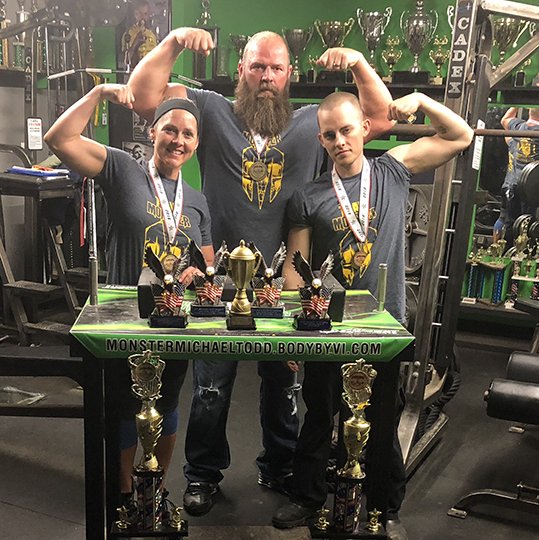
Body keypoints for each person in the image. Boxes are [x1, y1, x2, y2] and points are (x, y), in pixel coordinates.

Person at [127, 27, 395, 516]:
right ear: (241, 71)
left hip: (286, 285)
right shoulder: (211, 111)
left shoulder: (313, 122)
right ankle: (202, 474)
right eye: (257, 66)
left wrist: (358, 62)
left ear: (289, 73)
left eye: (275, 67)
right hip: (217, 284)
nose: (266, 76)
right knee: (210, 388)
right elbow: (143, 96)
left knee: (284, 386)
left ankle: (281, 466)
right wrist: (173, 41)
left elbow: (377, 117)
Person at [271, 91, 474, 539]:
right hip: (328, 326)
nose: (339, 141)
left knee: (382, 421)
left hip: (384, 325)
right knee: (319, 415)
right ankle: (308, 497)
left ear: (364, 128)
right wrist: (292, 332)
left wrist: (421, 100)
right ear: (321, 141)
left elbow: (460, 136)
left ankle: (384, 507)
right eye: (329, 135)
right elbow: (295, 271)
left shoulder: (393, 169)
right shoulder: (308, 196)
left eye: (346, 130)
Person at [44, 85, 214, 514]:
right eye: (170, 129)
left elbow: (208, 264)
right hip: (126, 319)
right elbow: (59, 139)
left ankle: (154, 491)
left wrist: (200, 275)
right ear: (152, 131)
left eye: (188, 134)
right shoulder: (123, 169)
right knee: (124, 407)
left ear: (197, 143)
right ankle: (123, 493)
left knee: (168, 403)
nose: (178, 140)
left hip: (174, 323)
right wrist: (98, 92)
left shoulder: (197, 202)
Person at [497, 107, 539, 245]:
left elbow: (505, 120)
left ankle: (501, 252)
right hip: (531, 190)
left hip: (511, 186)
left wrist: (516, 105)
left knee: (506, 220)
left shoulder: (518, 128)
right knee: (529, 225)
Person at [122, 0, 158, 71]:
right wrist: (136, 43)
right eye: (139, 14)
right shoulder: (128, 34)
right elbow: (126, 63)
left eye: (145, 14)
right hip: (134, 73)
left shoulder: (152, 35)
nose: (142, 17)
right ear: (135, 14)